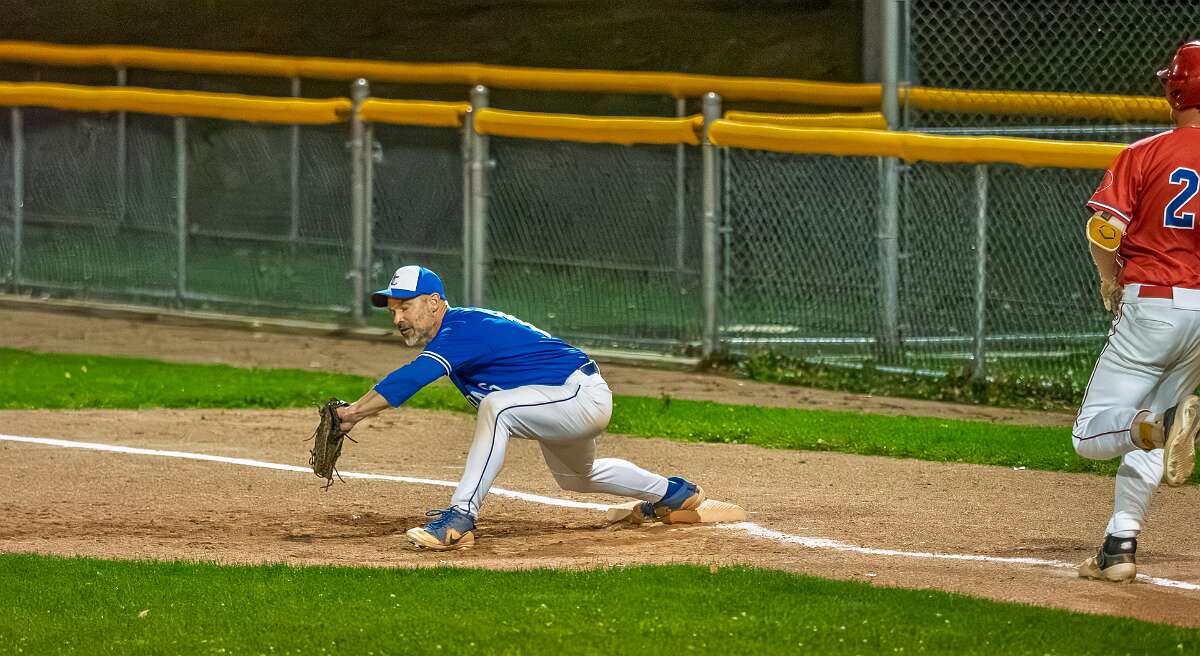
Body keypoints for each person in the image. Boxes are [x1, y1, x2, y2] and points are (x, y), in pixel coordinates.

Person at [335, 265, 706, 550]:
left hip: (578, 394)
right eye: (393, 311)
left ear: (433, 302)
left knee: (496, 408)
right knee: (577, 476)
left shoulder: (461, 327)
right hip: (561, 400)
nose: (398, 319)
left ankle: (460, 518)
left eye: (405, 307)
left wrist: (352, 413)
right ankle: (673, 494)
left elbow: (411, 378)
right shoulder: (454, 332)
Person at [1072, 40, 1200, 582]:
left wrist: (1109, 278)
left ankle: (1164, 425)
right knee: (1149, 424)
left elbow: (1104, 229)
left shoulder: (1145, 152)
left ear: (1176, 91)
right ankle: (1118, 546)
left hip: (1153, 306)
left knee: (1090, 435)